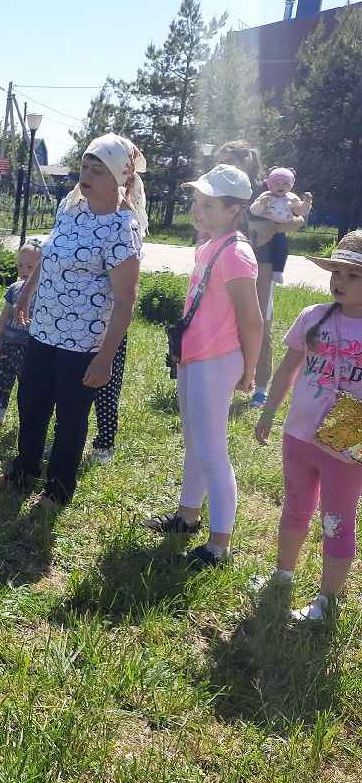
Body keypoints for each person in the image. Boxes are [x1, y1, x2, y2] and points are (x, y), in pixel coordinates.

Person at [3, 134, 143, 507]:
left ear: (119, 179)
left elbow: (126, 300)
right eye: (84, 167)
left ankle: (58, 490)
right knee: (31, 402)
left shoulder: (121, 229)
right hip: (44, 328)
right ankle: (24, 468)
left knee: (70, 417)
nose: (87, 175)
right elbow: (48, 256)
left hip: (83, 341)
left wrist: (105, 357)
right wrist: (27, 292)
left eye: (98, 170)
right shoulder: (71, 211)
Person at [141, 165, 261, 566]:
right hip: (195, 356)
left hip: (217, 359)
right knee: (195, 442)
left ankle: (220, 544)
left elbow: (251, 317)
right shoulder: (209, 244)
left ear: (232, 210)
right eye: (196, 201)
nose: (197, 209)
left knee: (212, 450)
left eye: (207, 204)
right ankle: (187, 515)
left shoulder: (236, 253)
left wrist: (251, 369)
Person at [252, 231, 362, 621]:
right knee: (296, 505)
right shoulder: (313, 316)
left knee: (336, 520)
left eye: (354, 276)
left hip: (346, 443)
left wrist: (351, 429)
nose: (340, 282)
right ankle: (282, 573)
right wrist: (268, 412)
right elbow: (287, 369)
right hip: (298, 433)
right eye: (337, 272)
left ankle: (326, 600)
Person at [63, 177, 148, 464]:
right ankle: (68, 440)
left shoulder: (126, 219)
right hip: (79, 323)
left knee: (106, 386)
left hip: (109, 321)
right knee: (76, 384)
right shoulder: (80, 208)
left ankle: (105, 442)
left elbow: (126, 294)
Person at [212, 141, 302, 408]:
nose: (223, 166)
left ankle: (260, 386)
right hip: (223, 260)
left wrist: (274, 226)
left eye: (229, 160)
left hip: (261, 263)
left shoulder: (263, 191)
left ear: (245, 163)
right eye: (219, 160)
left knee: (260, 320)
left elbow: (298, 219)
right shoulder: (216, 188)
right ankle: (225, 378)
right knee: (223, 318)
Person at [0, 240, 42, 428]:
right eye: (20, 265)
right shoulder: (15, 288)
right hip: (9, 345)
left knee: (27, 387)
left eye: (30, 266)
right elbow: (3, 317)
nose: (24, 269)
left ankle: (26, 422)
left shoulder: (44, 291)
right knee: (2, 381)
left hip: (30, 349)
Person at [249, 166, 312, 284]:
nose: (280, 186)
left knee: (282, 248)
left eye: (285, 184)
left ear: (291, 185)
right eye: (276, 183)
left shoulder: (292, 198)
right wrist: (261, 204)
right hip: (265, 222)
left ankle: (278, 271)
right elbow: (254, 211)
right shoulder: (266, 196)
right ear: (270, 185)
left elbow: (300, 212)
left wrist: (307, 203)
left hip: (280, 228)